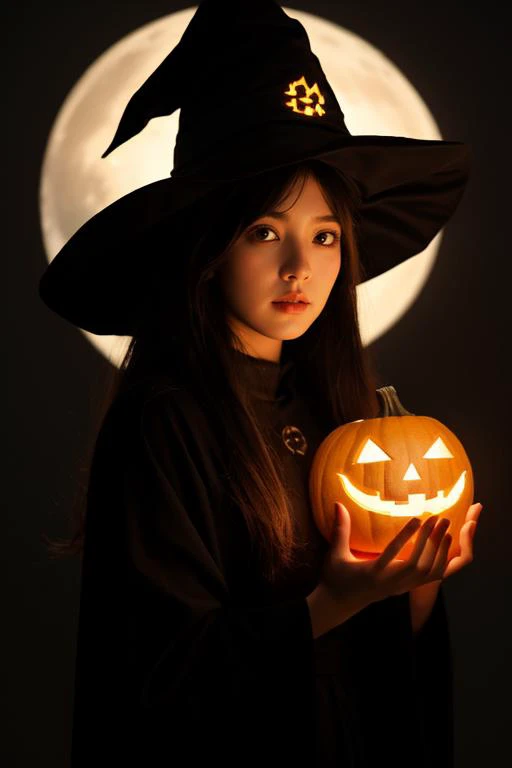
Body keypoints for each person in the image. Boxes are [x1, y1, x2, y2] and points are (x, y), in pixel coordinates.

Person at [39, 1, 482, 766]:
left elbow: (369, 684)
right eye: (264, 232)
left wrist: (412, 589)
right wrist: (332, 601)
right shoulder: (164, 421)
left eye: (325, 236)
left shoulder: (334, 414)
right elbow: (157, 680)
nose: (298, 269)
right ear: (209, 247)